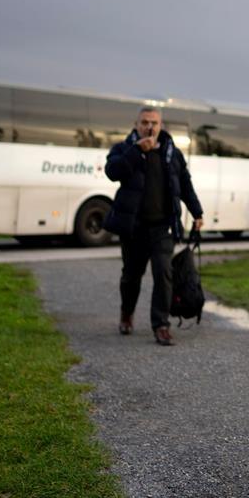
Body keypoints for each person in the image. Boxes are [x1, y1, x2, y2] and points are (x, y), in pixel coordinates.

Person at [103, 106, 203, 346]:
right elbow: (112, 172)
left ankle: (161, 325)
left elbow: (185, 184)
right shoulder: (124, 148)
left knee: (164, 274)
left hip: (162, 227)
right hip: (134, 227)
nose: (150, 127)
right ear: (137, 124)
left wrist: (197, 212)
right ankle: (127, 314)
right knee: (131, 277)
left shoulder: (172, 152)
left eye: (154, 123)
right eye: (145, 122)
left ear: (161, 126)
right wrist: (137, 151)